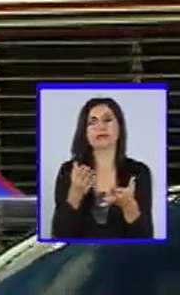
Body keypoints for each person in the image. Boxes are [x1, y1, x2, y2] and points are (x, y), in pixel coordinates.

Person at [50, 97, 154, 240]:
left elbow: (145, 237)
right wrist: (76, 193)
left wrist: (129, 206)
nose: (101, 127)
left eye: (107, 120)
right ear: (84, 132)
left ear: (119, 127)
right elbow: (59, 235)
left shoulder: (138, 172)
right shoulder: (70, 171)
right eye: (92, 122)